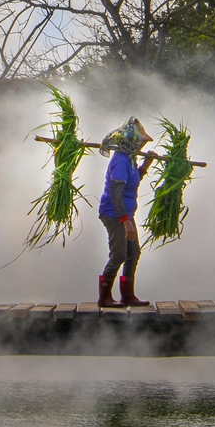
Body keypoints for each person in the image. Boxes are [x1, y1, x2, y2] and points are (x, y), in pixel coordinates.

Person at [97, 117, 152, 308]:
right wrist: (125, 222)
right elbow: (116, 193)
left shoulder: (129, 159)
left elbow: (132, 182)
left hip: (125, 215)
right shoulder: (120, 160)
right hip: (114, 214)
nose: (141, 145)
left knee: (133, 252)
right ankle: (104, 298)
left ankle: (127, 295)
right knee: (119, 254)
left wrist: (146, 164)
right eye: (139, 142)